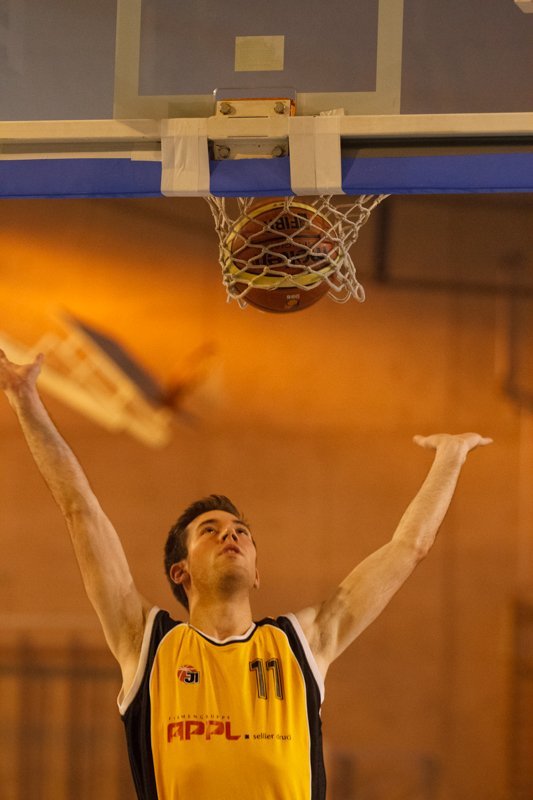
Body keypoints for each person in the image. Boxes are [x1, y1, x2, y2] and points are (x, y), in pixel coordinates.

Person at [0, 348, 492, 800]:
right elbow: (80, 509)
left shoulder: (303, 643)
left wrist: (449, 459)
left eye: (241, 531)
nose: (230, 536)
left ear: (257, 572)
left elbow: (408, 548)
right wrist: (25, 399)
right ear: (180, 570)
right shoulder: (145, 643)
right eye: (210, 531)